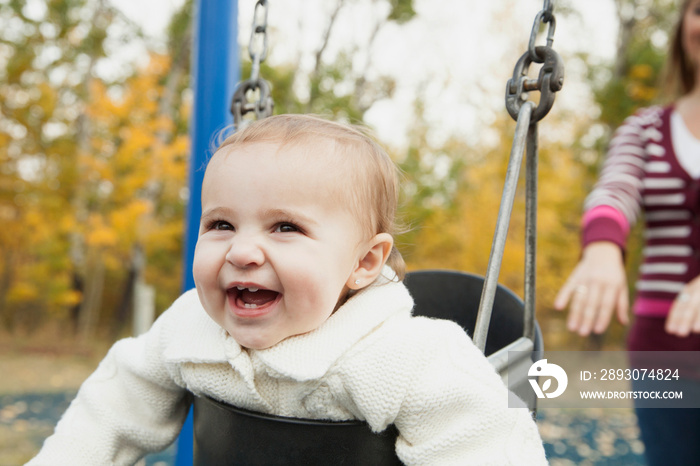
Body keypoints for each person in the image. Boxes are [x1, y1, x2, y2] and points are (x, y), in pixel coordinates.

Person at [28, 114, 547, 465]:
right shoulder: (190, 325)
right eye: (221, 225)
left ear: (364, 262)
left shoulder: (408, 355)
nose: (242, 252)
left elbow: (486, 444)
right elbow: (116, 403)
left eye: (285, 228)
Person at [554, 1, 700, 464]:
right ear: (682, 27)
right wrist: (601, 247)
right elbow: (615, 190)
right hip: (663, 352)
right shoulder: (645, 129)